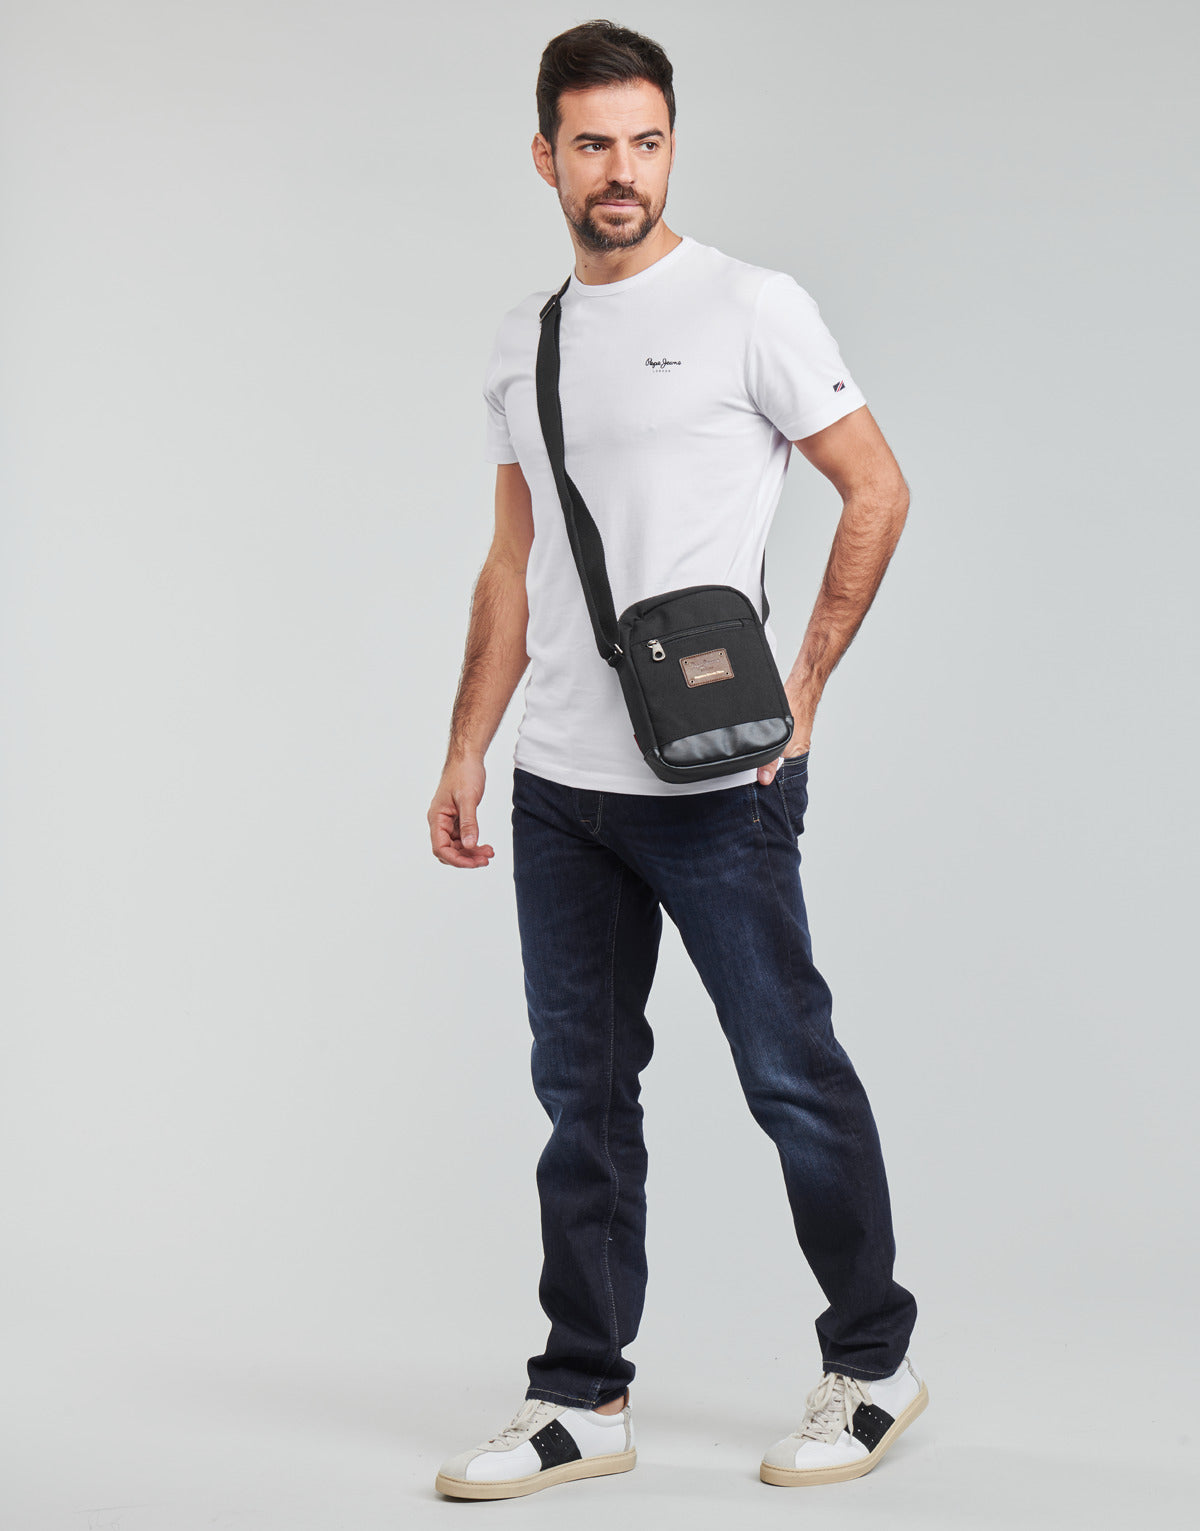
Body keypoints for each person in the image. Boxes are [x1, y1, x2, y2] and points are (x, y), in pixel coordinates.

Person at [428, 18, 927, 1501]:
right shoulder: (525, 340)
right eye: (593, 144)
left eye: (645, 142)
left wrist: (806, 685)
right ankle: (581, 1396)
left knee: (790, 1073)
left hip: (719, 784)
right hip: (560, 790)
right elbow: (513, 567)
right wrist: (466, 751)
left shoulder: (751, 307)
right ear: (545, 158)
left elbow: (876, 489)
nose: (622, 170)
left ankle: (875, 1364)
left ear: (669, 150)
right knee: (580, 1098)